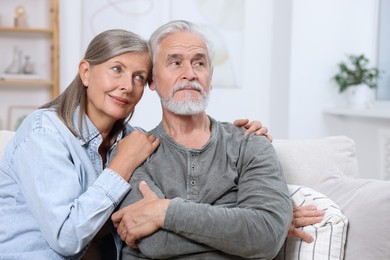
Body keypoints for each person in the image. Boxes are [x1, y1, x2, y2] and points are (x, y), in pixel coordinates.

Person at [0, 29, 267, 260]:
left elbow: (185, 206)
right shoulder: (44, 132)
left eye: (139, 76)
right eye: (117, 69)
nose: (127, 86)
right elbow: (67, 238)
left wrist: (263, 225)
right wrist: (120, 166)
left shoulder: (138, 140)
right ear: (85, 72)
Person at [112, 20, 294, 259]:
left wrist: (163, 211)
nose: (190, 74)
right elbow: (155, 243)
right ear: (153, 80)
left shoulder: (250, 143)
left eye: (199, 63)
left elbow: (266, 235)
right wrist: (237, 224)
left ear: (210, 76)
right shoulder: (132, 152)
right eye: (175, 63)